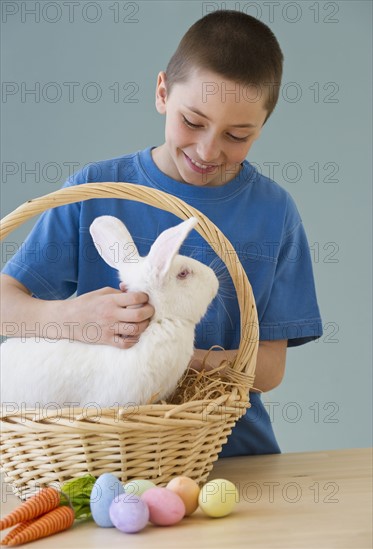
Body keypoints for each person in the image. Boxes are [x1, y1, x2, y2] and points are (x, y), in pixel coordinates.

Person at [0, 10, 322, 456]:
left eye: (238, 135)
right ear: (162, 93)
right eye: (193, 121)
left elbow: (269, 367)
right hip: (108, 463)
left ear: (262, 127)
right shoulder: (94, 190)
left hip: (233, 456)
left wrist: (169, 358)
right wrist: (74, 322)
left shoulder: (275, 212)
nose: (209, 150)